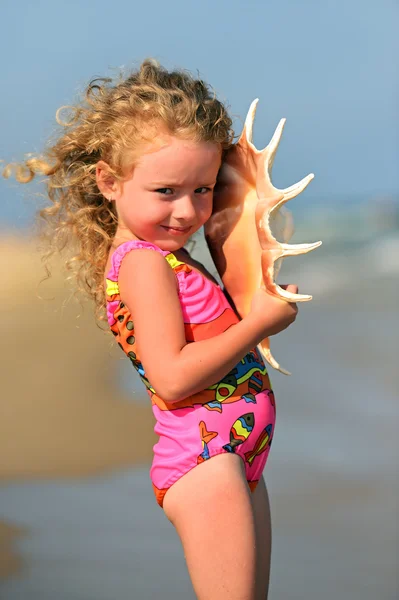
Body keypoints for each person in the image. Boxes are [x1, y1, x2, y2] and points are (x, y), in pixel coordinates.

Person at [4, 59, 298, 600]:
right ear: (110, 182)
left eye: (204, 189)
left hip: (234, 456)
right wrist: (257, 323)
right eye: (166, 191)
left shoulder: (171, 258)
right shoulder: (142, 264)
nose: (188, 211)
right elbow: (171, 377)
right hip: (206, 463)